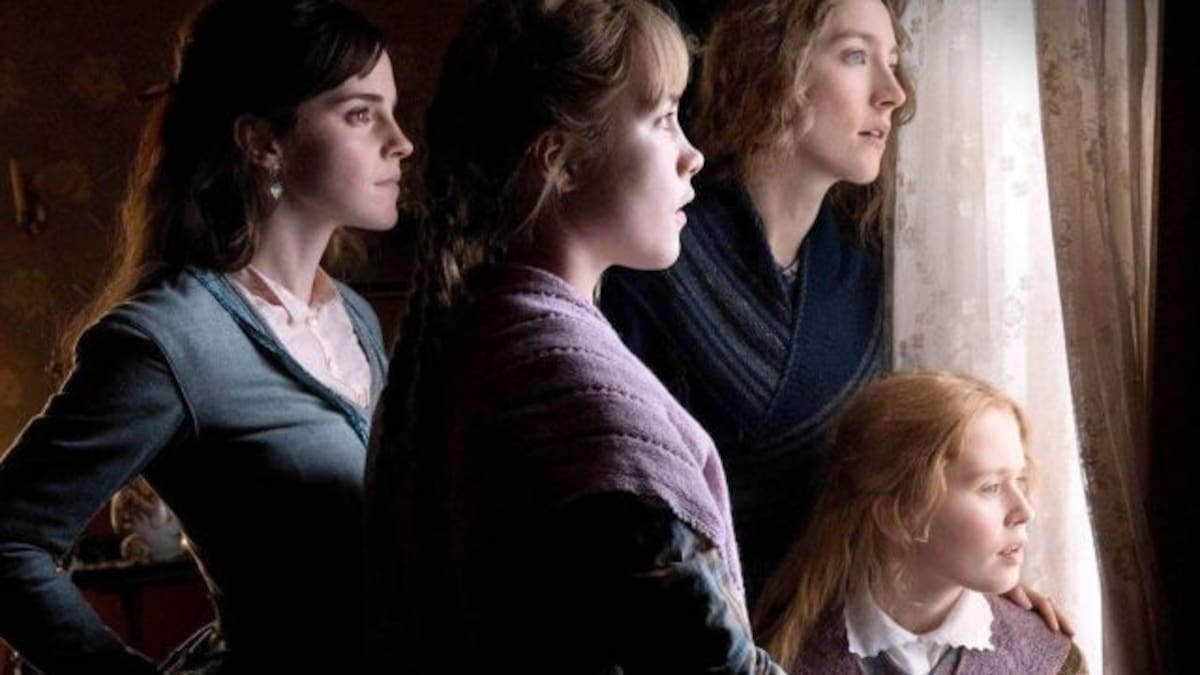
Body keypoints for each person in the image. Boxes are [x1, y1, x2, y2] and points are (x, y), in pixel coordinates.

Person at [366, 0, 783, 673]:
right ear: (559, 160)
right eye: (662, 119)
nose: (693, 155)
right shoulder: (570, 401)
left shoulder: (471, 336)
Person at [0, 0, 413, 672]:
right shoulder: (169, 339)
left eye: (391, 111)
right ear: (263, 141)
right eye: (361, 114)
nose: (401, 141)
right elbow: (8, 538)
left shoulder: (356, 318)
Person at [600, 0, 911, 604]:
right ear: (775, 66)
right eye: (855, 56)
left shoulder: (869, 271)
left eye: (893, 62)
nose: (892, 93)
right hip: (681, 616)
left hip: (829, 609)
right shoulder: (658, 255)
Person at [754, 372, 1087, 673]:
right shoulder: (781, 656)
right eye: (991, 487)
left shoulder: (1049, 662)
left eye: (1020, 480)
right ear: (897, 514)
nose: (1025, 511)